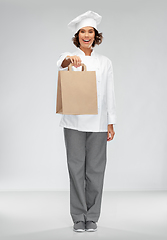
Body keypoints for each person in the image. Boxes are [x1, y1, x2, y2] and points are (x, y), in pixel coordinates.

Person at [56, 10, 117, 232]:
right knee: (76, 169)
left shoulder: (105, 62)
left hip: (99, 123)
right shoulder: (70, 57)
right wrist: (69, 60)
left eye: (90, 31)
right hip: (73, 122)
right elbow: (60, 62)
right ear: (77, 35)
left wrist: (111, 122)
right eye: (83, 31)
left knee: (96, 170)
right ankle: (78, 217)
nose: (87, 35)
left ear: (96, 35)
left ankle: (92, 216)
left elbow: (109, 92)